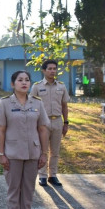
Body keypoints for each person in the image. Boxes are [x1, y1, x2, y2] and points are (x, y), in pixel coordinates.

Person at [0, 70, 49, 209]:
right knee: (14, 189)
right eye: (20, 80)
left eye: (27, 80)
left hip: (33, 152)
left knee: (28, 190)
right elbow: (1, 131)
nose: (24, 83)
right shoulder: (4, 103)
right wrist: (1, 153)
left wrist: (44, 153)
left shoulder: (38, 103)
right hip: (12, 153)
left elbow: (42, 129)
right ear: (12, 84)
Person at [30, 59, 70, 187]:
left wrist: (66, 123)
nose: (53, 71)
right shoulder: (37, 86)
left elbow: (64, 106)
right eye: (50, 69)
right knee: (43, 150)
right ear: (44, 70)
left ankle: (53, 176)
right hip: (43, 122)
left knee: (55, 151)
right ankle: (42, 176)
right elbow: (31, 105)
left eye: (54, 68)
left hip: (58, 121)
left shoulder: (61, 86)